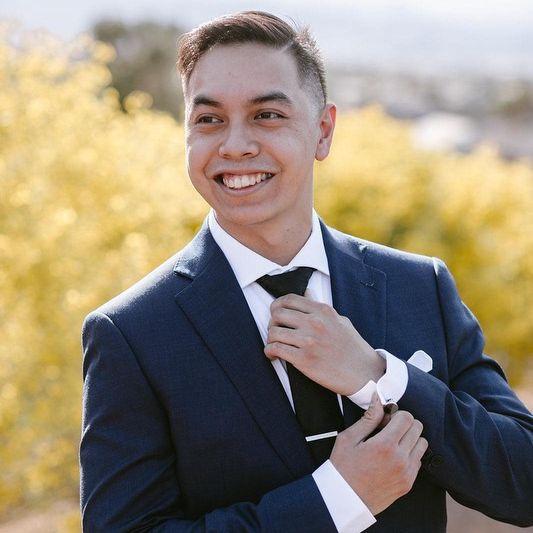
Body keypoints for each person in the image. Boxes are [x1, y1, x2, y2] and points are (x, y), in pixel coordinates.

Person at [79, 11, 533, 532]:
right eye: (208, 120)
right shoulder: (131, 334)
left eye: (267, 115)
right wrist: (337, 499)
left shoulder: (419, 287)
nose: (234, 144)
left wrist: (379, 377)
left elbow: (524, 480)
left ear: (323, 131)